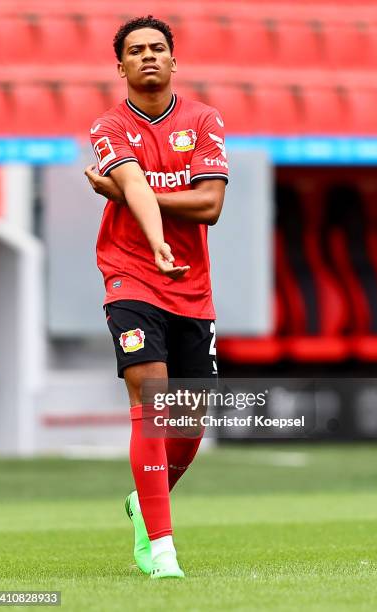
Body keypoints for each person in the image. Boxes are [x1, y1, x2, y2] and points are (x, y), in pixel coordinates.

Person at [84, 15, 228, 579]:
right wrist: (152, 232)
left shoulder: (203, 120)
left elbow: (211, 205)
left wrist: (125, 190)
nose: (148, 56)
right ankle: (162, 552)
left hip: (191, 287)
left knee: (189, 422)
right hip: (130, 276)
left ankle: (147, 500)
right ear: (119, 66)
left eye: (158, 48)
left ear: (174, 60)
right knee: (151, 402)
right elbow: (140, 184)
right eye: (136, 50)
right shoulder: (108, 126)